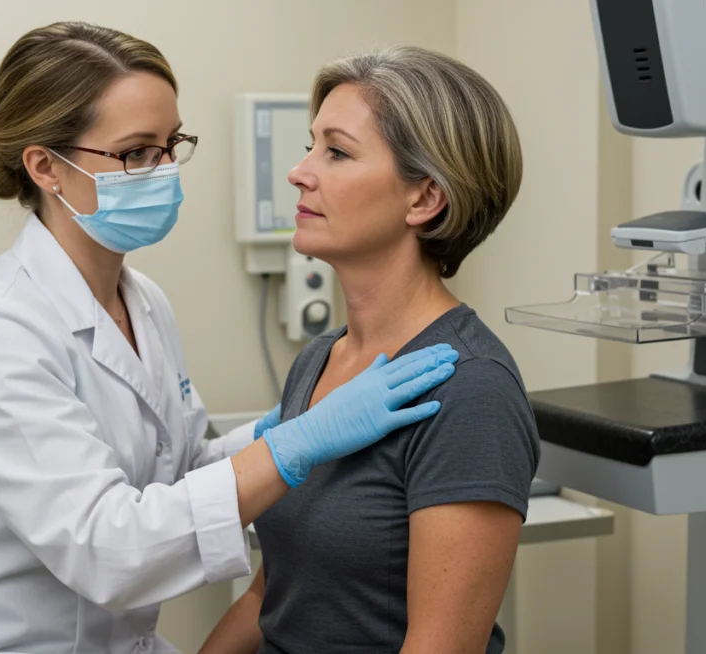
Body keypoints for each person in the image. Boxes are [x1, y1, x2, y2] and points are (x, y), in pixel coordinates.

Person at [0, 23, 461, 654]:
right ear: (47, 166)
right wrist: (300, 442)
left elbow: (179, 470)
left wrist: (283, 426)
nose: (162, 170)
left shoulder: (143, 302)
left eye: (170, 144)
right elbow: (108, 549)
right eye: (136, 153)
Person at [199, 46, 540, 654]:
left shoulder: (471, 388)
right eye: (310, 145)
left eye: (337, 151)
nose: (300, 171)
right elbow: (271, 592)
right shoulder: (318, 361)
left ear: (424, 199)